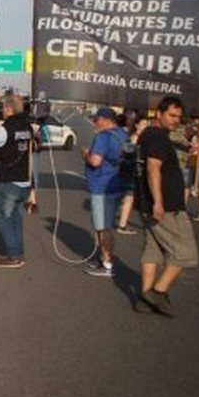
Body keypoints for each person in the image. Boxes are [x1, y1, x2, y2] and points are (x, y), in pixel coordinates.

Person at [135, 95, 199, 316]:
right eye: (171, 115)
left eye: (179, 117)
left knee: (152, 252)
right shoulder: (158, 138)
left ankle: (144, 300)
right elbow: (153, 168)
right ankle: (157, 292)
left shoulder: (150, 135)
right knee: (185, 253)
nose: (175, 120)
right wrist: (159, 202)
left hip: (147, 203)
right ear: (159, 114)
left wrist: (187, 150)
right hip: (166, 207)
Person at [81, 107, 129, 277]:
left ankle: (107, 264)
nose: (95, 122)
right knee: (106, 225)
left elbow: (95, 161)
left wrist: (85, 154)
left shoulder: (103, 136)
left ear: (106, 120)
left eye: (97, 119)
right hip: (117, 184)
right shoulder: (122, 134)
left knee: (103, 227)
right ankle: (103, 258)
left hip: (102, 186)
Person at [0, 95, 33, 268]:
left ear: (8, 109)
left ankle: (13, 255)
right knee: (16, 219)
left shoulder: (5, 128)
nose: (2, 110)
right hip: (23, 180)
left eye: (4, 107)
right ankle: (18, 254)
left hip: (8, 180)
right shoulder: (26, 126)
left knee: (3, 218)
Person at [115, 109, 147, 235]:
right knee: (128, 198)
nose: (146, 127)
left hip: (136, 172)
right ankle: (121, 225)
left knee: (129, 198)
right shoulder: (133, 139)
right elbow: (126, 155)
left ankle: (121, 224)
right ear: (137, 125)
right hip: (129, 172)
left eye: (147, 125)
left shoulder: (143, 139)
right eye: (144, 124)